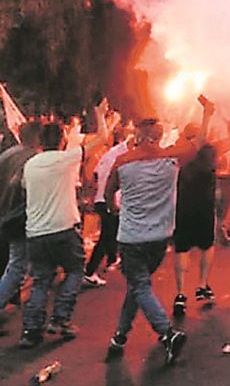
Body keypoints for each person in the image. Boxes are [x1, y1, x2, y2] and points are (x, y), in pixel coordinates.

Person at [104, 96, 214, 365]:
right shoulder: (172, 159)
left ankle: (167, 334)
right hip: (160, 239)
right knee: (138, 286)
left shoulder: (123, 162)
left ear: (138, 135)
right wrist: (207, 114)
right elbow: (198, 142)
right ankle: (119, 337)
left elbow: (108, 195)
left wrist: (115, 209)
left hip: (131, 239)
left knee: (139, 286)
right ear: (159, 136)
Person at [19, 102, 113, 348]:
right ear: (62, 141)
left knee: (41, 279)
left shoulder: (30, 165)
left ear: (40, 142)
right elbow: (103, 137)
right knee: (74, 270)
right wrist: (100, 115)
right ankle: (60, 319)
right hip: (63, 228)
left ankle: (31, 330)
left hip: (36, 232)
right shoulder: (68, 159)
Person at [171, 118, 230, 317]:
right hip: (205, 205)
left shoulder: (180, 150)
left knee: (181, 248)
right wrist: (227, 119)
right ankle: (202, 285)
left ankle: (181, 294)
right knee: (207, 245)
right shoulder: (211, 150)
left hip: (183, 205)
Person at [0, 121, 42, 315]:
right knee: (17, 264)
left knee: (8, 262)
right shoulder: (34, 159)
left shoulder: (7, 155)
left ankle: (12, 296)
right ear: (37, 137)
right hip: (20, 216)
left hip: (4, 214)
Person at [83, 125, 133, 287]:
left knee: (110, 233)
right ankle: (89, 272)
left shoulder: (110, 153)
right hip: (109, 201)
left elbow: (95, 175)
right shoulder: (122, 155)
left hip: (102, 200)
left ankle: (112, 258)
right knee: (106, 237)